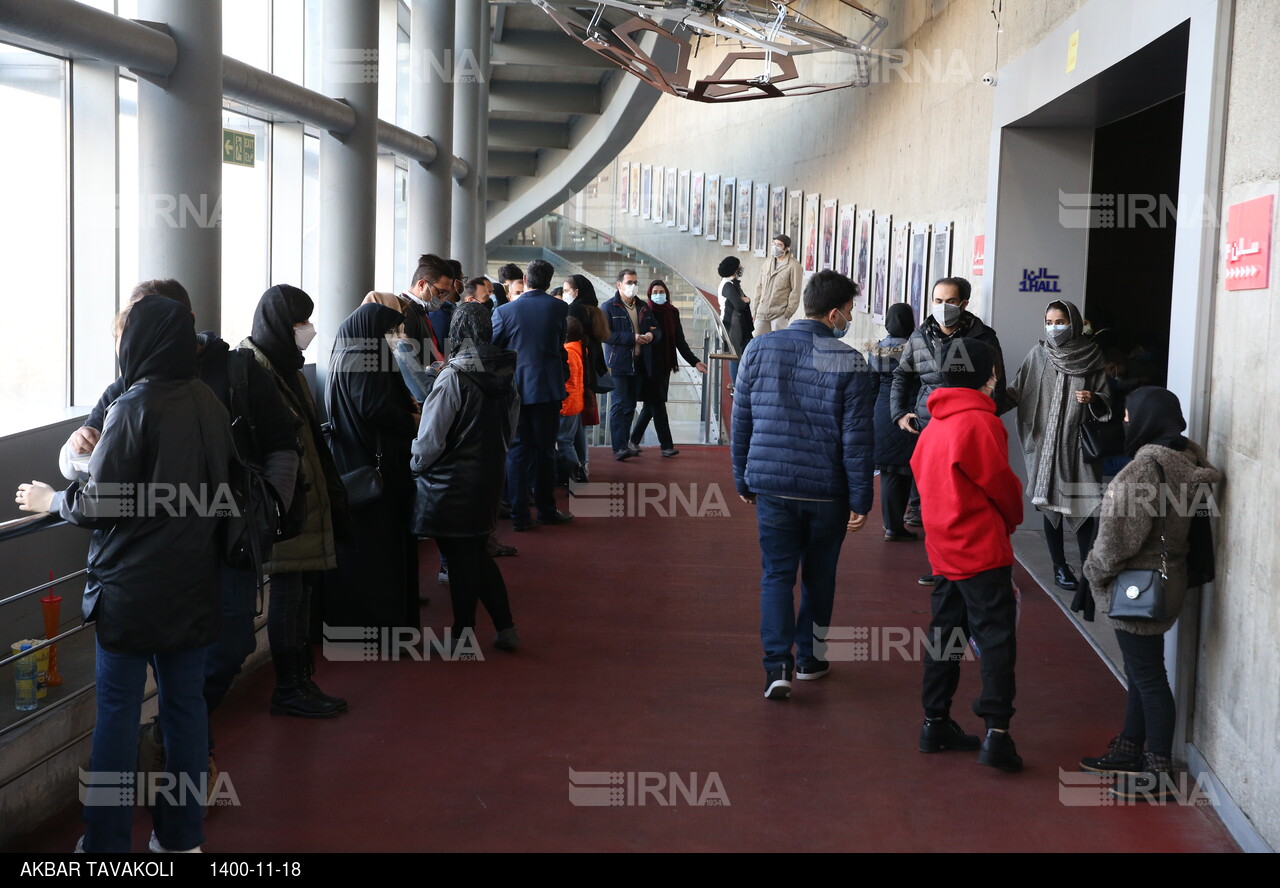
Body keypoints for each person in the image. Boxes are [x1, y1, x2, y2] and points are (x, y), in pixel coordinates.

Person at [17, 295, 231, 853]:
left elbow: (96, 503)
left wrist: (51, 498)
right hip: (193, 583)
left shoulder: (134, 406)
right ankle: (181, 837)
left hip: (131, 591)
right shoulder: (207, 400)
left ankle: (107, 842)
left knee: (117, 713)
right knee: (185, 713)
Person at [63, 280, 313, 743]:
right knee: (181, 690)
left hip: (216, 546)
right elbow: (80, 447)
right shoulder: (132, 384)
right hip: (163, 561)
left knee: (227, 648)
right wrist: (75, 443)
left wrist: (268, 510)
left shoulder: (237, 371)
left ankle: (165, 754)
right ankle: (182, 760)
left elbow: (283, 444)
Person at [731, 270, 876, 700]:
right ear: (834, 314)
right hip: (826, 492)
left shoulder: (759, 347)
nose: (850, 317)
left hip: (772, 485)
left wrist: (742, 474)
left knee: (776, 574)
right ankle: (810, 658)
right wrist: (861, 498)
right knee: (819, 577)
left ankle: (777, 665)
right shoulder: (851, 361)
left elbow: (742, 420)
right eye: (849, 310)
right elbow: (856, 439)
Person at [1080, 387, 1222, 801]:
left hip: (1136, 586)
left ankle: (1158, 769)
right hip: (1168, 578)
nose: (1125, 422)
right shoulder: (1188, 463)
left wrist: (1093, 572)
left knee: (1148, 677)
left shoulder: (1144, 471)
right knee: (1143, 672)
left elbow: (1117, 539)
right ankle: (1129, 746)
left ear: (1146, 420)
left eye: (1127, 416)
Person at [910, 338, 1025, 772]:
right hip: (981, 550)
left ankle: (934, 722)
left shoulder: (934, 423)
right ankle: (998, 734)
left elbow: (924, 484)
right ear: (987, 376)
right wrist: (1011, 520)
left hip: (943, 550)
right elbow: (1002, 486)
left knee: (946, 637)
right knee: (996, 640)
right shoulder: (981, 424)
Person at [241, 284, 350, 717]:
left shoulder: (284, 364)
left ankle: (301, 680)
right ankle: (289, 686)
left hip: (302, 501)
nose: (308, 330)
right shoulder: (255, 369)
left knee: (300, 593)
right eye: (300, 322)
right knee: (288, 595)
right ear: (280, 324)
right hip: (282, 504)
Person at [412, 303, 521, 651]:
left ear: (457, 332)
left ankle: (462, 634)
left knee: (461, 559)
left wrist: (415, 464)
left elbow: (431, 438)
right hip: (489, 476)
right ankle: (505, 628)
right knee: (476, 553)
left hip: (452, 482)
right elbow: (510, 431)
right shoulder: (506, 374)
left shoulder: (452, 376)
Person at [891, 277, 1013, 586]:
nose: (941, 308)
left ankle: (974, 566)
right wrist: (898, 414)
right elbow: (902, 376)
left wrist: (987, 414)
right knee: (935, 502)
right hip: (930, 425)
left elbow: (997, 381)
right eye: (936, 300)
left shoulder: (983, 337)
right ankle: (940, 567)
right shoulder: (920, 336)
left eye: (949, 301)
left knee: (968, 497)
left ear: (964, 304)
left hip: (970, 425)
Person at [1006, 300, 1112, 616]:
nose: (1054, 326)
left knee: (1082, 504)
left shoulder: (1092, 356)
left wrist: (1094, 399)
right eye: (1049, 321)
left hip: (1077, 445)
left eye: (1061, 320)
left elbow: (1107, 399)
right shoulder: (1038, 355)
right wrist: (982, 402)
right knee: (1050, 504)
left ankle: (1089, 574)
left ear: (1074, 322)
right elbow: (1015, 390)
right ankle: (1059, 567)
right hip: (1046, 445)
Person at [324, 302, 420, 636]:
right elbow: (373, 407)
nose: (396, 336)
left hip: (353, 458)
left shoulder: (344, 352)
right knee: (378, 552)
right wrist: (414, 420)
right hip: (372, 465)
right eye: (391, 330)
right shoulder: (363, 357)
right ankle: (379, 624)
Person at [492, 258, 574, 530]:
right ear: (549, 283)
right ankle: (547, 511)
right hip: (547, 390)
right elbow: (558, 342)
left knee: (516, 452)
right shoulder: (559, 307)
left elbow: (493, 348)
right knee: (545, 452)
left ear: (525, 280)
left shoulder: (505, 312)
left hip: (514, 390)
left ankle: (519, 517)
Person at [630, 279, 706, 456]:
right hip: (648, 365)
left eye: (661, 291)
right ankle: (666, 446)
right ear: (649, 294)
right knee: (657, 403)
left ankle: (632, 441)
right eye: (655, 292)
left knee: (651, 405)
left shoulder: (672, 312)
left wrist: (694, 361)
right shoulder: (644, 311)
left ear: (667, 293)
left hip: (664, 365)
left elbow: (679, 341)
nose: (658, 295)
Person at [869, 302, 919, 541]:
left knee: (889, 471)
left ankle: (891, 526)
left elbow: (870, 385)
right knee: (908, 469)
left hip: (881, 410)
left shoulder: (876, 348)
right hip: (909, 411)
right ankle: (908, 517)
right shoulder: (918, 348)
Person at [602, 268, 659, 461]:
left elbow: (655, 328)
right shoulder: (609, 307)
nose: (633, 286)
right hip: (618, 363)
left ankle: (624, 443)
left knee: (630, 405)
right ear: (619, 285)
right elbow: (606, 335)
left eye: (635, 282)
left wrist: (651, 335)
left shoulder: (643, 307)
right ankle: (618, 447)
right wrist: (631, 338)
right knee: (618, 404)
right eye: (629, 282)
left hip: (639, 362)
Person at [562, 274, 612, 479]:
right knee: (581, 422)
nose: (565, 294)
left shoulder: (575, 309)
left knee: (572, 424)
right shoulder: (595, 311)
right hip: (591, 370)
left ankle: (578, 467)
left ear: (576, 292)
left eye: (566, 290)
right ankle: (585, 462)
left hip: (578, 368)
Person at [398, 254, 456, 394]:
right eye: (440, 292)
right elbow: (406, 366)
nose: (443, 299)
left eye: (446, 294)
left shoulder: (419, 311)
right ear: (422, 284)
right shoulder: (404, 313)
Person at [753, 233, 803, 336]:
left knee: (777, 344)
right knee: (756, 342)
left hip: (779, 314)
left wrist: (787, 313)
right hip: (762, 313)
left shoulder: (794, 266)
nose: (775, 247)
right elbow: (759, 287)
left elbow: (796, 291)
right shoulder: (767, 264)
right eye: (774, 244)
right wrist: (755, 309)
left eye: (779, 245)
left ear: (786, 248)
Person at [557, 318, 587, 484]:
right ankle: (575, 473)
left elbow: (564, 379)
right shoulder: (578, 348)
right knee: (568, 441)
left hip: (566, 405)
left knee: (564, 443)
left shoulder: (567, 352)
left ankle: (577, 475)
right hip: (575, 402)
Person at [718, 257, 752, 385]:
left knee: (740, 355)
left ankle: (738, 384)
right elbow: (739, 305)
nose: (741, 268)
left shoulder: (731, 283)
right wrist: (746, 300)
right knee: (735, 357)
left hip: (738, 324)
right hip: (732, 326)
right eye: (739, 266)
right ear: (734, 269)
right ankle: (735, 386)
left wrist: (743, 299)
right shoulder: (728, 285)